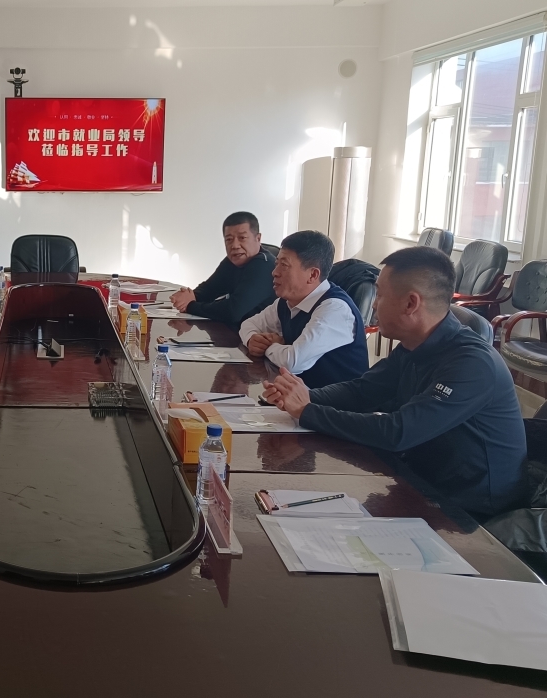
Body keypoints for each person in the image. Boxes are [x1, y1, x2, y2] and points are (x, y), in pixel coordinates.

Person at [263, 246, 528, 518]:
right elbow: (363, 391)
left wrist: (307, 411)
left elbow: (398, 432)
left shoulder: (472, 364)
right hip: (421, 480)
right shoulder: (415, 344)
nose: (373, 305)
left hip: (470, 511)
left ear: (411, 304)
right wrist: (303, 394)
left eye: (379, 294)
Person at [240, 230, 369, 388]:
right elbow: (248, 325)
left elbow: (292, 362)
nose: (275, 272)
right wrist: (252, 339)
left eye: (284, 265)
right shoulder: (286, 302)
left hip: (337, 402)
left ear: (313, 275)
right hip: (301, 396)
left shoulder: (335, 309)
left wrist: (268, 347)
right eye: (276, 264)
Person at [168, 212, 276, 327]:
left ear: (258, 238)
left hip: (260, 334)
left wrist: (190, 306)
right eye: (229, 239)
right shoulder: (234, 260)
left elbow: (233, 311)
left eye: (242, 238)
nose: (235, 245)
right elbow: (209, 289)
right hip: (237, 330)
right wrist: (189, 297)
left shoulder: (264, 265)